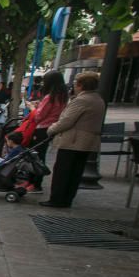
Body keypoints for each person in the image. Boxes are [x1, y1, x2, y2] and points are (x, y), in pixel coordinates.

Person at [41, 72, 105, 208]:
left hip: (73, 141)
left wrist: (51, 129)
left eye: (76, 83)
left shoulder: (82, 100)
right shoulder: (97, 99)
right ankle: (66, 198)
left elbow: (67, 121)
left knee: (63, 171)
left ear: (81, 85)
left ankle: (57, 198)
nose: (74, 86)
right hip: (86, 142)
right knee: (75, 172)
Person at [27, 70, 69, 178]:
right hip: (52, 128)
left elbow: (38, 116)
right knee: (41, 154)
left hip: (42, 128)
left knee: (36, 155)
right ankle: (35, 181)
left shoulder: (49, 97)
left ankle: (35, 181)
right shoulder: (63, 97)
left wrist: (32, 108)